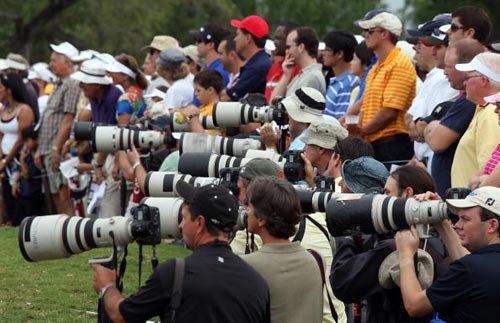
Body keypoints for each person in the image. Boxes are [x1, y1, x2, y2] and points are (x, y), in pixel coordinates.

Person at [91, 181, 270, 323]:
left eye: (184, 218)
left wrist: (108, 286)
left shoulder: (175, 273)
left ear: (199, 223)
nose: (179, 225)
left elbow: (121, 315)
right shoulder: (256, 281)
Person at [332, 162, 437, 323]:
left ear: (407, 193)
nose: (381, 200)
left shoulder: (393, 247)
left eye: (387, 193)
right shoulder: (443, 239)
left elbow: (341, 283)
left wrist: (350, 233)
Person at [395, 186, 500, 322]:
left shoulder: (469, 269)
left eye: (465, 219)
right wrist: (439, 220)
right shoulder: (479, 267)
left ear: (492, 225)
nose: (457, 225)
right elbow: (475, 268)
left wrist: (406, 255)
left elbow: (414, 306)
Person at [242, 177, 323, 323]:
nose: (245, 211)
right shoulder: (315, 259)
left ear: (261, 219)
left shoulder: (247, 266)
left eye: (249, 205)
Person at [354, 10, 416, 167]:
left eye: (369, 31)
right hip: (376, 143)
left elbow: (389, 111)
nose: (364, 34)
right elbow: (368, 105)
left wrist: (360, 132)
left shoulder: (399, 64)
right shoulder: (378, 66)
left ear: (384, 34)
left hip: (391, 145)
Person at [425, 39, 483, 197]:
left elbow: (437, 142)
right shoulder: (468, 99)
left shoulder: (470, 101)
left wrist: (432, 126)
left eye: (449, 67)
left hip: (461, 201)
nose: (444, 72)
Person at [404, 15, 459, 171]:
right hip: (424, 162)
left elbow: (420, 130)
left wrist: (421, 126)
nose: (416, 46)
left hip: (434, 163)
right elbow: (411, 125)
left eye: (439, 46)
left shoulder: (448, 80)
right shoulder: (436, 77)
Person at [70, 59, 122, 218]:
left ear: (97, 84)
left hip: (117, 155)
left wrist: (98, 165)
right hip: (105, 153)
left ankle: (112, 236)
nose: (80, 85)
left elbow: (109, 136)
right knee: (95, 205)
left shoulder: (113, 97)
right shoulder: (93, 97)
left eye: (85, 82)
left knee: (109, 206)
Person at [36, 41, 80, 215]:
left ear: (67, 63)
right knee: (55, 193)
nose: (51, 64)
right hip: (48, 147)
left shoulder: (71, 84)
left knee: (63, 192)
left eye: (55, 60)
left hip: (58, 147)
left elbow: (68, 118)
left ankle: (70, 231)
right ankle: (63, 232)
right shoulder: (59, 84)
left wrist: (57, 148)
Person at [450, 52, 500, 187]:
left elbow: (489, 170)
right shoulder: (484, 109)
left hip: (475, 202)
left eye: (467, 77)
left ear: (484, 80)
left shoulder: (492, 114)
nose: (464, 82)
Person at [0, 73, 38, 224]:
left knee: (20, 196)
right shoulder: (4, 110)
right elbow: (1, 134)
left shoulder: (25, 110)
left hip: (18, 158)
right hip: (5, 158)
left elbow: (21, 139)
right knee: (7, 194)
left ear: (9, 90)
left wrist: (7, 160)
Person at [221, 14, 272, 102]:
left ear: (248, 38)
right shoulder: (256, 62)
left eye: (238, 35)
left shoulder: (258, 66)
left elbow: (227, 97)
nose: (235, 39)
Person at [271, 26, 326, 100]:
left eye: (288, 47)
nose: (286, 51)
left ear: (301, 47)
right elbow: (273, 103)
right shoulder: (304, 75)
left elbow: (296, 110)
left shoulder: (312, 77)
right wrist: (286, 75)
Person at [322, 30, 360, 118]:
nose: (323, 53)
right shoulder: (338, 81)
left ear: (339, 54)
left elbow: (340, 122)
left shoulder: (348, 84)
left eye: (327, 50)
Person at [300, 121, 348, 188]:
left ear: (321, 149)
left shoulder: (342, 182)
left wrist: (311, 182)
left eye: (307, 144)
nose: (304, 148)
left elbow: (332, 197)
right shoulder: (315, 172)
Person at [11, 125, 43, 224]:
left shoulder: (36, 157)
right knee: (16, 219)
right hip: (24, 192)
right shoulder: (27, 154)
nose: (26, 144)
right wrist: (15, 184)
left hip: (33, 193)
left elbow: (27, 174)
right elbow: (20, 172)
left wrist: (22, 160)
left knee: (30, 218)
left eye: (27, 141)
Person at [105, 53, 148, 125]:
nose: (111, 74)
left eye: (114, 72)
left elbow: (122, 131)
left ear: (125, 76)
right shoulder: (138, 92)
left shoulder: (125, 99)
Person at [264, 22, 301, 103]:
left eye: (279, 39)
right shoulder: (275, 66)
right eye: (275, 38)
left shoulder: (299, 69)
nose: (274, 42)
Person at [180, 69, 224, 135]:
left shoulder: (215, 111)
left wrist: (192, 117)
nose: (195, 94)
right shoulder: (203, 107)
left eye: (198, 90)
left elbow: (206, 138)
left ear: (210, 90)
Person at [191, 23, 231, 88]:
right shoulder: (209, 68)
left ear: (210, 45)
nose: (196, 44)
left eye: (199, 40)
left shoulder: (218, 74)